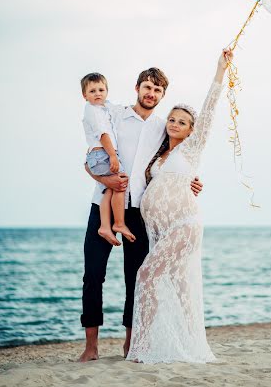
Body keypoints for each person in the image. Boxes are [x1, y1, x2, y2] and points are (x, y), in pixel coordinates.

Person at [79, 67, 204, 363]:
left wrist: (192, 180)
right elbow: (92, 152)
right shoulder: (115, 115)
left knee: (134, 279)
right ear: (137, 87)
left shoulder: (164, 126)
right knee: (93, 275)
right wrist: (100, 178)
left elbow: (177, 159)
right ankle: (91, 346)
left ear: (162, 95)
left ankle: (130, 344)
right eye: (147, 87)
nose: (151, 93)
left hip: (139, 213)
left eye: (157, 90)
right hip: (104, 205)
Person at [127, 48, 232, 364]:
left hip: (184, 225)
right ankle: (190, 343)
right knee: (181, 288)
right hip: (163, 229)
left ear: (191, 129)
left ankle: (141, 347)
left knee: (146, 275)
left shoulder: (191, 151)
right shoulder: (159, 157)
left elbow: (210, 110)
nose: (174, 123)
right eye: (171, 119)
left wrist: (219, 71)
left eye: (182, 121)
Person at [81, 72, 135, 246]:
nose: (97, 93)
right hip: (102, 153)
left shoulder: (105, 107)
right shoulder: (92, 110)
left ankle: (105, 226)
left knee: (109, 189)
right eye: (92, 91)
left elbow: (120, 109)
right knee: (121, 183)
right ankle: (118, 223)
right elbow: (103, 134)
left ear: (107, 91)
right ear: (85, 95)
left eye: (101, 90)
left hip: (100, 154)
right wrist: (113, 155)